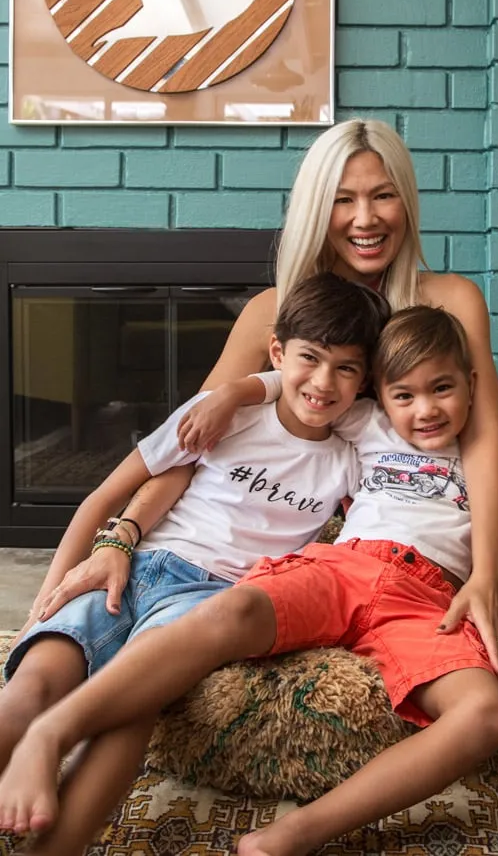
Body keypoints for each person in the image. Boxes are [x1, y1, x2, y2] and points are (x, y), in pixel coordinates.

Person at [21, 118, 498, 693]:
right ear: (315, 209)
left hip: (485, 484)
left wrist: (492, 563)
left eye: (383, 196)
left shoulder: (452, 298)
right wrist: (123, 532)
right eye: (343, 200)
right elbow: (197, 441)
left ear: (406, 202)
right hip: (397, 520)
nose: (365, 219)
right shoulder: (273, 312)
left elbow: (484, 433)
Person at [3, 306, 498, 855]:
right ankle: (51, 731)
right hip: (346, 566)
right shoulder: (366, 425)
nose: (425, 409)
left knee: (485, 714)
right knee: (229, 615)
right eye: (403, 394)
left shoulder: (491, 447)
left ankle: (297, 834)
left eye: (442, 389)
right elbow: (305, 387)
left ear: (473, 385)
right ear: (379, 395)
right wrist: (233, 391)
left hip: (429, 597)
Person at [0, 272, 390, 850]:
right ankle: (30, 747)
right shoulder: (220, 414)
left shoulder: (349, 458)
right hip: (138, 565)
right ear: (279, 351)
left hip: (210, 600)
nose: (323, 382)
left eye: (347, 368)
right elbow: (106, 495)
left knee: (132, 709)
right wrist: (45, 604)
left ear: (364, 380)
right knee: (36, 675)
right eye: (310, 358)